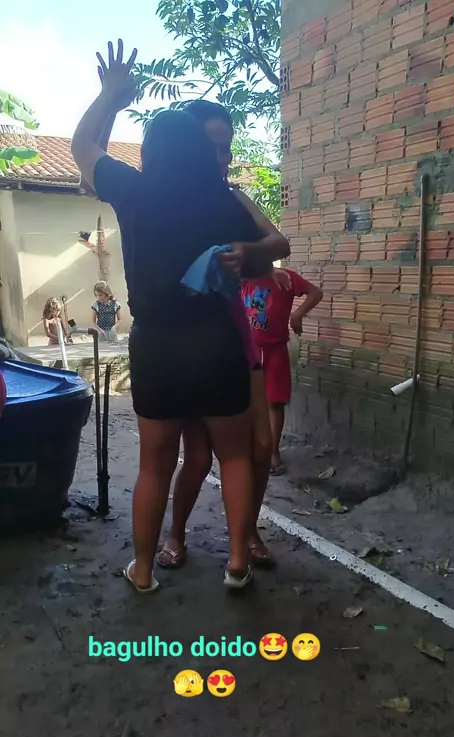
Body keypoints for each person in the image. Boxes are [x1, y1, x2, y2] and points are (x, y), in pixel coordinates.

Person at [71, 40, 289, 592]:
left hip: (157, 346)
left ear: (150, 151)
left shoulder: (134, 191)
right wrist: (250, 254)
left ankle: (143, 571)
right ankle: (236, 564)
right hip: (216, 343)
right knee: (234, 457)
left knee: (154, 464)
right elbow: (276, 246)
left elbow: (81, 145)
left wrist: (111, 96)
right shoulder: (223, 201)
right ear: (200, 152)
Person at [158, 99, 291, 571]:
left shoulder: (232, 198)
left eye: (227, 147)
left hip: (236, 338)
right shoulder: (163, 201)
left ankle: (247, 531)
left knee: (260, 448)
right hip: (186, 344)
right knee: (197, 456)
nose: (223, 158)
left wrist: (245, 249)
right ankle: (176, 534)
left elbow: (279, 242)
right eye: (213, 148)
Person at [242, 269, 322, 475]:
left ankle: (272, 451)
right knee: (246, 401)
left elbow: (315, 293)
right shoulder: (245, 276)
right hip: (247, 351)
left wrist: (298, 314)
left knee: (275, 402)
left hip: (274, 350)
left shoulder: (285, 277)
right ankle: (250, 446)